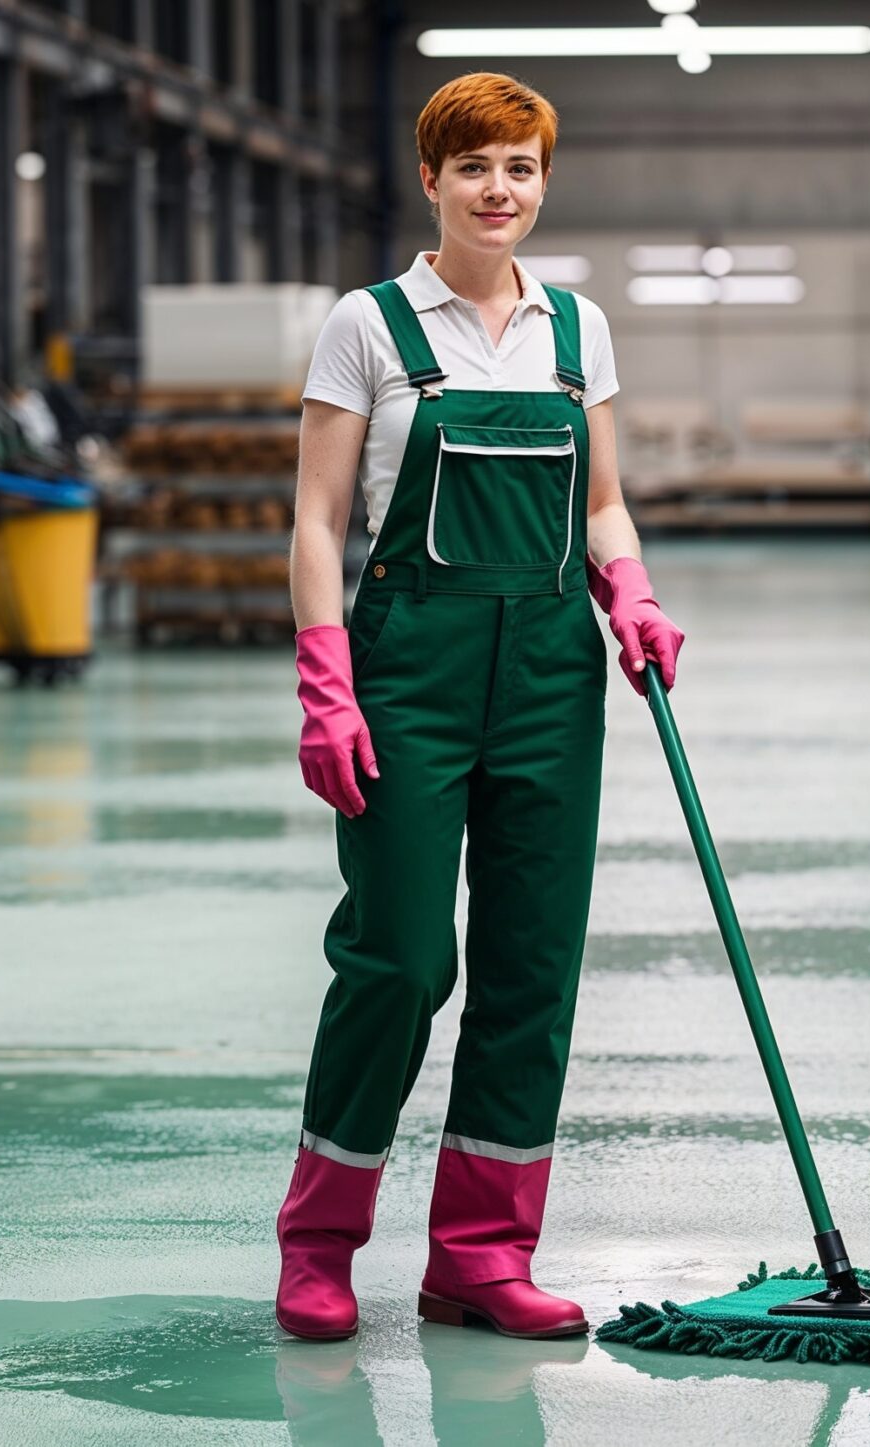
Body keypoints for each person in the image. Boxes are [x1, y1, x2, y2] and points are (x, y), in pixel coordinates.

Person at [274, 72, 685, 1343]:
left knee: (530, 968)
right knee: (399, 957)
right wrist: (327, 680)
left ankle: (482, 1255)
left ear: (542, 182)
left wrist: (632, 591)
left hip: (555, 676)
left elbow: (602, 499)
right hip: (410, 675)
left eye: (519, 168)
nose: (497, 192)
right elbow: (318, 518)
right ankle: (321, 1241)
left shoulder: (578, 330)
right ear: (432, 181)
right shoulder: (372, 324)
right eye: (474, 169)